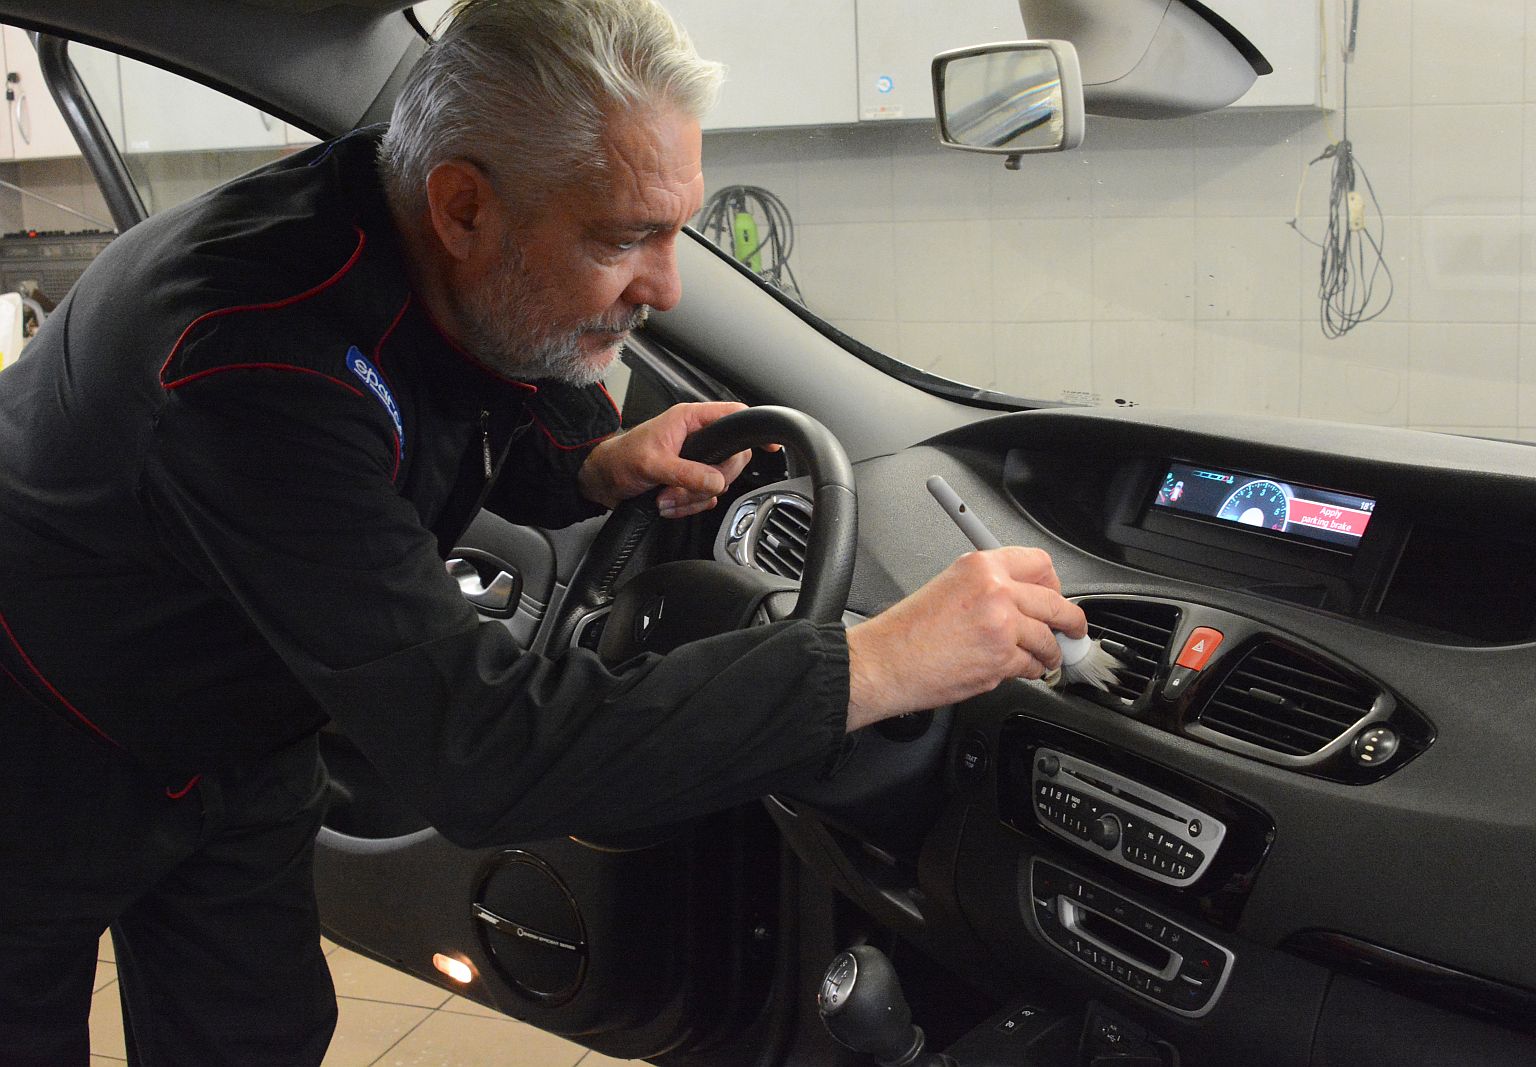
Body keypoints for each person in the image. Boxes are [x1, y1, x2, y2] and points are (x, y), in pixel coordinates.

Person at [0, 0, 1085, 1062]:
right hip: (41, 732)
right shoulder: (253, 365)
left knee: (256, 1035)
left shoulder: (417, 226)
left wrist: (589, 462)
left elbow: (482, 372)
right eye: (626, 237)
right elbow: (482, 753)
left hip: (235, 732)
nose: (666, 286)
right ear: (463, 208)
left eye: (677, 228)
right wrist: (877, 664)